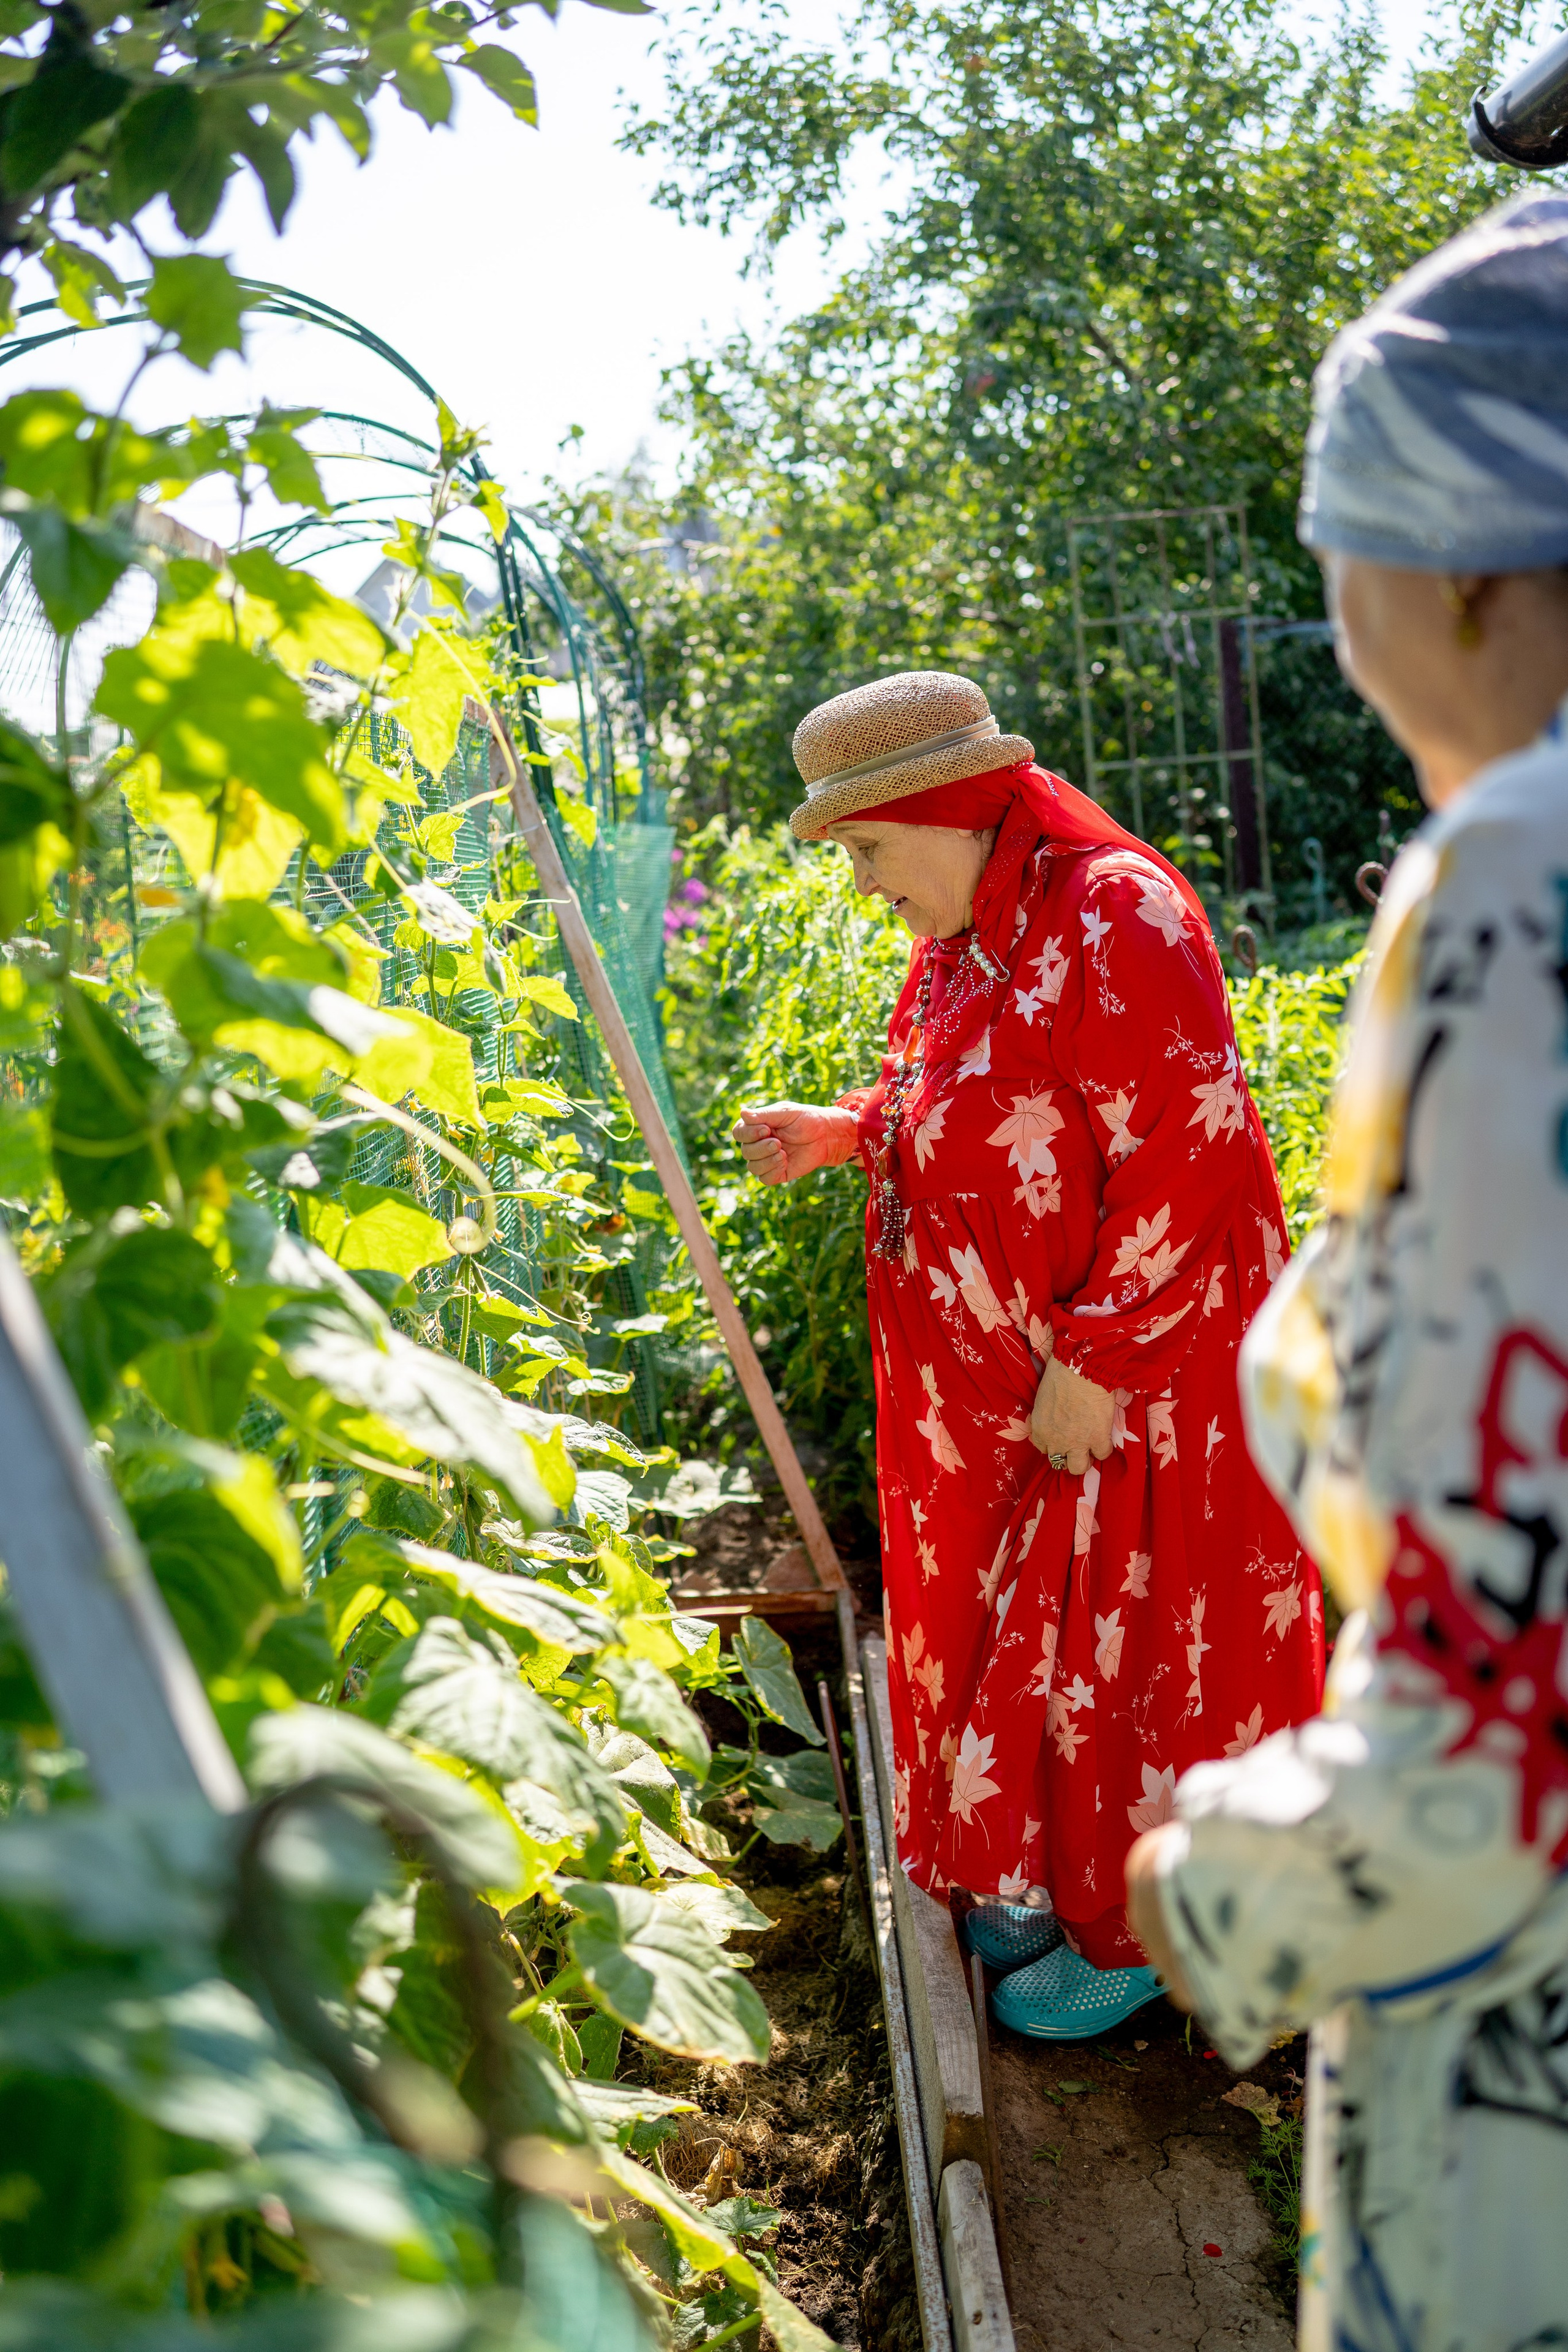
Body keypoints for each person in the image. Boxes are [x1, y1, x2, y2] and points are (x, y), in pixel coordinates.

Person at [1125, 189, 1568, 2350]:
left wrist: (1233, 1880)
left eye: (1340, 544)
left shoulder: (1520, 872)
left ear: (1469, 559)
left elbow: (1506, 1696)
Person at [735, 670, 1324, 2037]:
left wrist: (1099, 1362)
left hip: (1136, 1380)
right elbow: (969, 1090)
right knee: (1035, 1633)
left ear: (940, 808)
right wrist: (853, 1125)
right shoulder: (976, 932)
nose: (864, 885)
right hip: (1013, 1389)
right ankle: (1040, 1873)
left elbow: (1196, 1156)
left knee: (1128, 1645)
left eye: (869, 849)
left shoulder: (1114, 915)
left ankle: (1136, 1931)